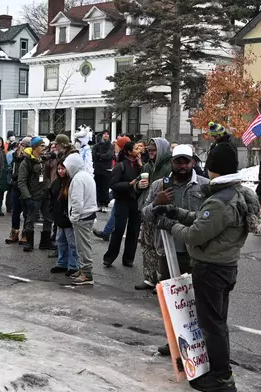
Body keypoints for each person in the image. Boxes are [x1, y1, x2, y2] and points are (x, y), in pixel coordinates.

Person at [156, 142, 259, 392]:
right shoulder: (234, 193)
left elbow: (195, 235)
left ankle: (222, 377)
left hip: (211, 269)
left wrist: (169, 225)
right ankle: (219, 365)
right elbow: (205, 220)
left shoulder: (220, 200)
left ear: (214, 168)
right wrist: (177, 212)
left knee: (211, 324)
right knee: (216, 321)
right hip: (225, 266)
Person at [141, 145, 209, 354]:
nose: (182, 166)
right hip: (168, 251)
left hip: (197, 251)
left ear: (193, 163)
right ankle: (175, 342)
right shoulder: (159, 185)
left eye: (186, 162)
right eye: (178, 161)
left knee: (198, 301)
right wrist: (157, 203)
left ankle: (199, 345)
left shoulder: (205, 186)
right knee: (174, 302)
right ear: (172, 162)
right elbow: (145, 214)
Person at [135, 138, 171, 290]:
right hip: (146, 210)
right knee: (146, 245)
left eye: (154, 150)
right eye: (149, 150)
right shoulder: (147, 167)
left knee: (161, 248)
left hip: (161, 212)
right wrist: (138, 185)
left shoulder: (169, 167)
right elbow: (136, 183)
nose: (150, 152)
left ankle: (161, 282)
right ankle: (149, 278)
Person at [103, 141, 145, 267]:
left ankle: (128, 259)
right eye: (136, 148)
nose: (139, 150)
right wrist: (129, 184)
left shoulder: (140, 165)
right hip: (123, 201)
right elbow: (113, 184)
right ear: (128, 151)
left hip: (136, 201)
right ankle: (109, 257)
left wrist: (141, 165)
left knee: (134, 231)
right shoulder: (120, 166)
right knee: (119, 229)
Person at [63, 152, 98, 285]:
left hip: (82, 217)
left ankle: (87, 274)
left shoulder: (78, 179)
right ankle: (83, 270)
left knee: (82, 246)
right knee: (83, 245)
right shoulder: (85, 176)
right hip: (88, 214)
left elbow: (77, 201)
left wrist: (73, 217)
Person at [94, 136, 131, 241]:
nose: (115, 147)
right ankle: (107, 231)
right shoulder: (124, 156)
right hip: (123, 189)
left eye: (117, 146)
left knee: (119, 213)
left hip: (125, 190)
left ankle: (109, 232)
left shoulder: (125, 158)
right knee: (115, 212)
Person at [18, 137, 51, 252]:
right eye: (42, 146)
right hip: (33, 195)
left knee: (48, 218)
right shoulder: (26, 161)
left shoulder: (43, 159)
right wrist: (27, 197)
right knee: (30, 219)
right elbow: (21, 182)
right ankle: (29, 243)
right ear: (35, 147)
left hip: (46, 194)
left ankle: (45, 242)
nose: (44, 148)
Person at [49, 159, 80, 276]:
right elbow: (51, 198)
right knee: (60, 241)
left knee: (72, 243)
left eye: (63, 168)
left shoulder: (72, 182)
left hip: (68, 218)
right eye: (59, 169)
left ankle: (73, 265)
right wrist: (52, 212)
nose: (61, 171)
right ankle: (62, 263)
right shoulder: (56, 183)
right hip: (59, 218)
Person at [5, 138, 31, 244]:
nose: (22, 146)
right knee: (15, 211)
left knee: (26, 212)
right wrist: (12, 179)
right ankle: (14, 233)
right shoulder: (15, 156)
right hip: (16, 187)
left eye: (25, 145)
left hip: (27, 187)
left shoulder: (30, 158)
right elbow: (11, 169)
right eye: (21, 144)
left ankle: (25, 234)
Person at [92, 131, 114, 212]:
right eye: (104, 133)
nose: (106, 135)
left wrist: (99, 156)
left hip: (106, 170)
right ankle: (98, 203)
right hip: (97, 170)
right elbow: (94, 156)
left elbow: (109, 156)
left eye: (107, 133)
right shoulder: (96, 146)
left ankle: (105, 204)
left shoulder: (111, 146)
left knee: (105, 187)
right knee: (98, 187)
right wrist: (102, 157)